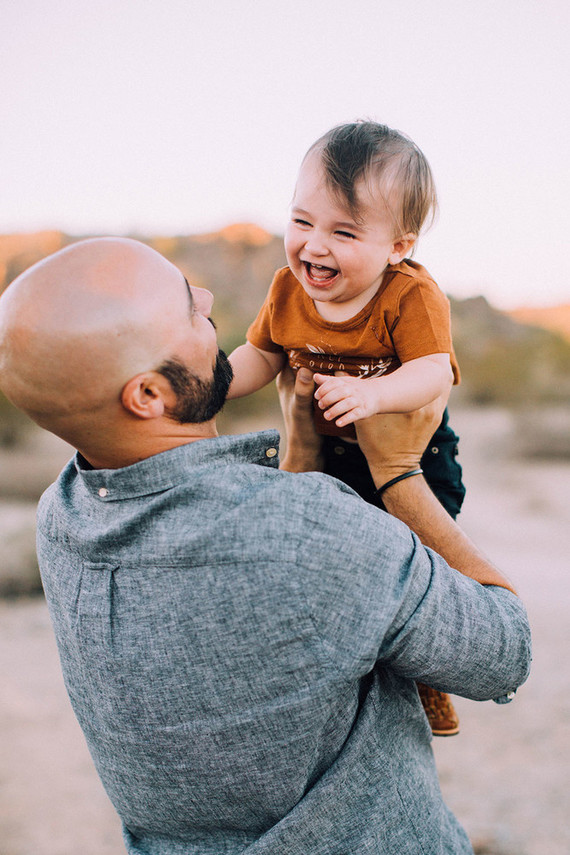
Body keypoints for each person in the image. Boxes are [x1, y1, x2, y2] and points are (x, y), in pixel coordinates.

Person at [0, 237, 531, 855]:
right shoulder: (308, 534)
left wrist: (301, 463)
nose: (208, 297)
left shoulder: (62, 522)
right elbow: (503, 650)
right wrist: (400, 474)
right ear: (149, 395)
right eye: (186, 309)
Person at [228, 121, 465, 732]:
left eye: (344, 232)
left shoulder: (408, 295)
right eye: (303, 222)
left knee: (413, 567)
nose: (314, 247)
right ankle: (321, 676)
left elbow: (433, 372)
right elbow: (263, 355)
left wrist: (375, 393)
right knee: (321, 566)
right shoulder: (287, 290)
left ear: (397, 246)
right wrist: (215, 387)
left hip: (410, 452)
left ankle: (425, 676)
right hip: (325, 451)